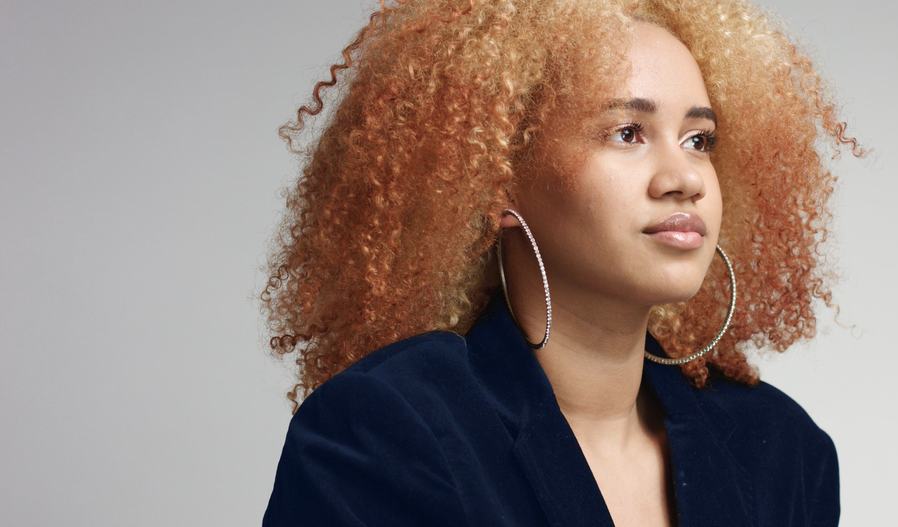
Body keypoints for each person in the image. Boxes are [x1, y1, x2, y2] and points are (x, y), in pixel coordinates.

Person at [260, 0, 866, 525]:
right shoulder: (386, 433)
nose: (684, 178)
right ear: (496, 177)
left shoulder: (781, 451)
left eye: (699, 140)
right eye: (628, 132)